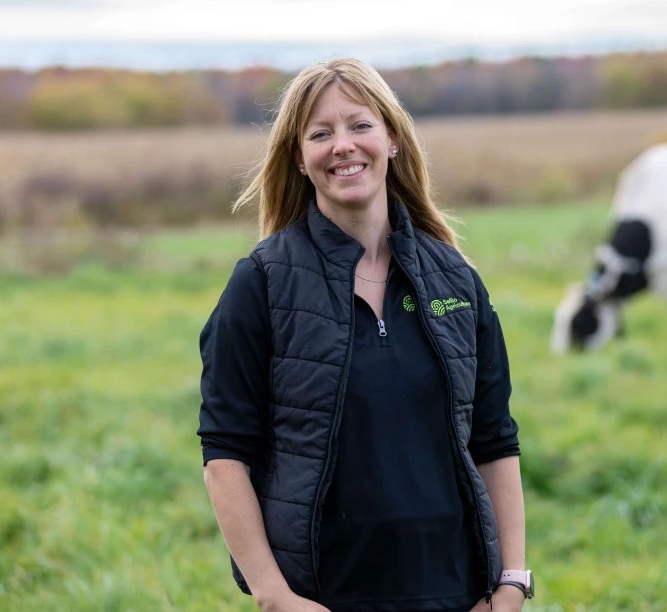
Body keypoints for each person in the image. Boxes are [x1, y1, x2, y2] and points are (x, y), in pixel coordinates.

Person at [197, 58, 532, 612]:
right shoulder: (259, 283)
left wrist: (511, 584)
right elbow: (225, 452)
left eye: (360, 125)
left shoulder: (456, 280)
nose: (343, 146)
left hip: (456, 590)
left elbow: (495, 440)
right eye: (320, 134)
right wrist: (274, 596)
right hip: (325, 596)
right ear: (300, 160)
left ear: (393, 139)